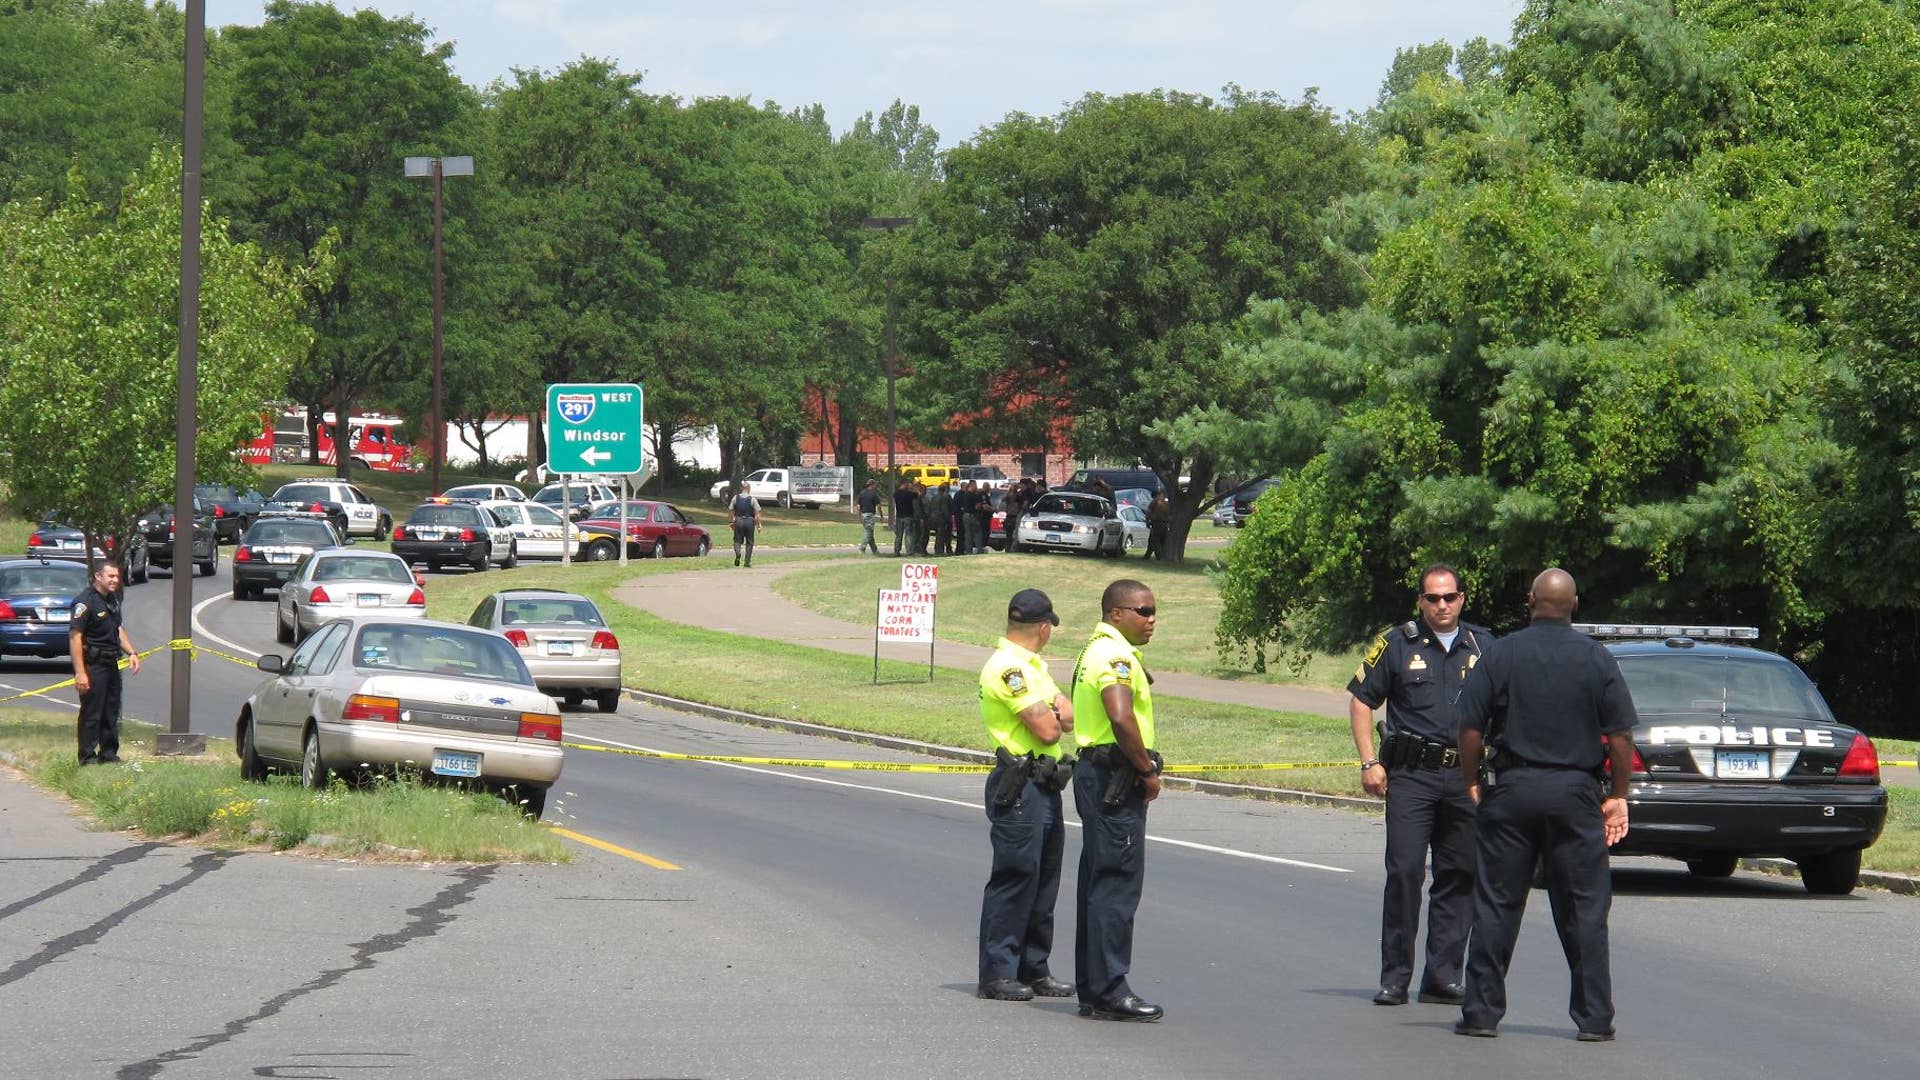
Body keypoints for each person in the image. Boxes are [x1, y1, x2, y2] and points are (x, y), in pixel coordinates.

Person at [1454, 568, 1636, 1042]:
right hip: (1575, 794)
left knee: (1497, 903)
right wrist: (1618, 794)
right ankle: (1594, 1019)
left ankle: (1480, 1013)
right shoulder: (1597, 658)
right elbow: (1619, 736)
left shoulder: (1501, 653)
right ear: (1575, 605)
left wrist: (1472, 781)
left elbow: (1470, 727)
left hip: (1512, 790)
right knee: (1584, 909)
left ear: (1530, 600)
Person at [1347, 564, 1491, 1008]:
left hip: (1465, 778)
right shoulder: (1396, 642)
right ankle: (1395, 977)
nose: (1442, 605)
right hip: (1412, 776)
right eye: (1433, 598)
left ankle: (1443, 976)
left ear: (1462, 598)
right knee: (1406, 873)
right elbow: (1361, 700)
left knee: (1459, 876)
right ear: (1421, 601)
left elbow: (1503, 707)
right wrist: (1369, 761)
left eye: (1449, 597)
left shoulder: (1485, 645)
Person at [1069, 579, 1164, 1022]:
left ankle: (1093, 988)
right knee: (1116, 885)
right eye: (1142, 610)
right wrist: (1146, 770)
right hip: (1114, 777)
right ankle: (1111, 988)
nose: (1151, 619)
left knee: (1097, 882)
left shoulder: (1095, 648)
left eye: (1152, 610)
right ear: (1116, 614)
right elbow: (1121, 716)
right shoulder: (1115, 656)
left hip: (1096, 772)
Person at [976, 588, 1076, 1002]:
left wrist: (1053, 709)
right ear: (1043, 627)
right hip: (1019, 784)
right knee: (1015, 877)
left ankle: (1034, 967)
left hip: (1046, 781)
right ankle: (998, 972)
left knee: (1044, 879)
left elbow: (1067, 715)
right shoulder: (1008, 670)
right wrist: (1052, 711)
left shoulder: (1032, 666)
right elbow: (1051, 728)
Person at [69, 560, 140, 765]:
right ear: (98, 576)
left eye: (117, 577)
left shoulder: (112, 600)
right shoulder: (85, 602)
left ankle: (108, 753)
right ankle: (87, 757)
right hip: (94, 665)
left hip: (111, 663)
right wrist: (80, 673)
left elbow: (118, 629)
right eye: (111, 576)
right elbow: (75, 638)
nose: (115, 580)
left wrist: (132, 652)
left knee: (111, 710)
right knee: (92, 712)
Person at [728, 484, 762, 567]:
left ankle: (738, 554)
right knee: (750, 542)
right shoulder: (752, 499)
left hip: (738, 521)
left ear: (741, 488)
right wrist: (759, 525)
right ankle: (747, 562)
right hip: (750, 521)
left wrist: (731, 522)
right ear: (749, 489)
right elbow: (757, 513)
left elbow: (731, 510)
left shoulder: (735, 498)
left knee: (737, 540)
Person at [927, 482, 954, 557]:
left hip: (933, 518)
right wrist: (948, 519)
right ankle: (940, 550)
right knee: (941, 535)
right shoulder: (944, 498)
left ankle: (938, 549)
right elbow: (945, 510)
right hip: (941, 519)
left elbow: (930, 508)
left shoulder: (934, 497)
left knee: (939, 535)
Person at [953, 481, 980, 556]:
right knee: (963, 534)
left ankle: (962, 549)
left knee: (964, 534)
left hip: (962, 516)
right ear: (962, 487)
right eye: (966, 486)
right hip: (960, 517)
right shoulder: (960, 495)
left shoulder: (962, 494)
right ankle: (960, 550)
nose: (967, 488)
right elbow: (959, 507)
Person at [857, 480, 882, 555]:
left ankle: (875, 550)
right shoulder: (874, 494)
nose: (876, 486)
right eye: (875, 485)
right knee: (869, 533)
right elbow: (879, 506)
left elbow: (858, 506)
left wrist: (859, 516)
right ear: (872, 485)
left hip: (863, 515)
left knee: (869, 532)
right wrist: (881, 516)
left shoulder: (861, 493)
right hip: (870, 515)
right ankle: (862, 548)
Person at [892, 480, 917, 557]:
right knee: (908, 534)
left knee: (899, 535)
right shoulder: (909, 494)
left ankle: (896, 551)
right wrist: (912, 488)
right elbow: (917, 495)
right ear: (904, 484)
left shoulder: (896, 494)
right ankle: (909, 551)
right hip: (908, 516)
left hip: (899, 516)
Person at [1144, 491, 1170, 561]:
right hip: (1163, 523)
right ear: (1158, 495)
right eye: (1162, 495)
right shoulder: (1164, 503)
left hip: (1157, 523)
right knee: (1160, 541)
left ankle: (1158, 556)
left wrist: (1147, 521)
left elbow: (1148, 512)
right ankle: (1154, 555)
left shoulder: (1156, 502)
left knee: (1155, 540)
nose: (1163, 496)